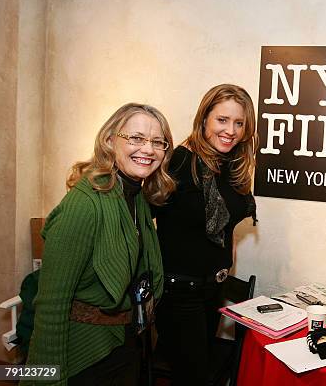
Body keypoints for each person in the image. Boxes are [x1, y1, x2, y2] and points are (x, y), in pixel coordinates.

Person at [23, 103, 175, 385]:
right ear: (109, 140)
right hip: (83, 354)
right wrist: (49, 378)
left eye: (157, 142)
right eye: (136, 138)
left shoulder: (136, 197)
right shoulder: (85, 203)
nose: (148, 149)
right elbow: (52, 304)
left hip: (124, 343)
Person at [154, 84, 257, 385]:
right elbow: (142, 218)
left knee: (196, 373)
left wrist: (226, 263)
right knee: (194, 377)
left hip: (212, 290)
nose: (231, 131)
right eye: (222, 120)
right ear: (204, 120)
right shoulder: (178, 162)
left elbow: (226, 227)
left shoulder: (233, 167)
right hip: (178, 292)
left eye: (239, 123)